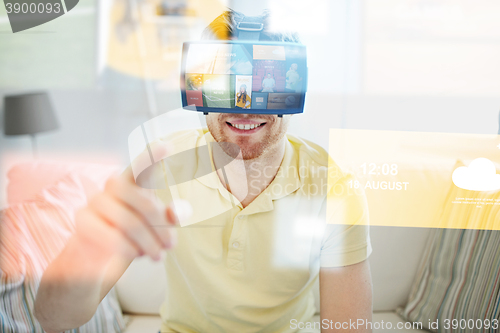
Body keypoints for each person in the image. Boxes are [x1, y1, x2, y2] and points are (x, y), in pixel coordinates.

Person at [35, 10, 372, 333]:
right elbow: (54, 319)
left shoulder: (334, 188)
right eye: (225, 79)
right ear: (199, 83)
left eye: (262, 83)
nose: (243, 104)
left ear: (295, 85)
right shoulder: (159, 167)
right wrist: (85, 248)